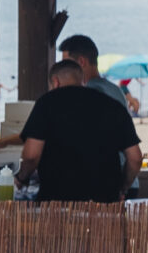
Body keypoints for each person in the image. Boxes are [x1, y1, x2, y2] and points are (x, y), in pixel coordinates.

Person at [16, 59, 141, 203]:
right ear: (82, 80)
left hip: (56, 203)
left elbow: (31, 155)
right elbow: (135, 158)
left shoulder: (47, 103)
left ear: (55, 82)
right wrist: (122, 187)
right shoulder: (112, 106)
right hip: (104, 203)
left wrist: (21, 178)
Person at [58, 33, 126, 107]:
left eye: (66, 64)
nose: (63, 69)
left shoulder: (88, 94)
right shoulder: (116, 90)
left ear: (81, 62)